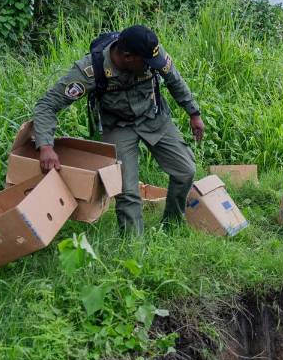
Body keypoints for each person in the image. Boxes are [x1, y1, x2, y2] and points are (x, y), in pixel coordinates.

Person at [33, 25, 203, 234]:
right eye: (147, 64)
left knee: (186, 171)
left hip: (153, 117)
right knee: (127, 191)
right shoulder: (90, 70)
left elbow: (173, 79)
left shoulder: (151, 53)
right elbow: (47, 105)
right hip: (118, 127)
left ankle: (173, 226)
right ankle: (133, 247)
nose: (152, 67)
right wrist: (46, 146)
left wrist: (194, 113)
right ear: (128, 57)